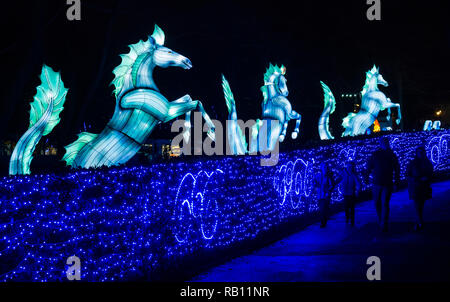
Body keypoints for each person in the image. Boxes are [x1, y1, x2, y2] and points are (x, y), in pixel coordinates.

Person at [367, 137, 400, 232]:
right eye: (383, 142)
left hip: (385, 183)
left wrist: (396, 182)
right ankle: (382, 220)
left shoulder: (391, 154)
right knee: (378, 203)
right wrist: (367, 176)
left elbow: (397, 169)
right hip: (378, 182)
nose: (385, 144)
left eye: (386, 142)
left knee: (384, 203)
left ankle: (383, 222)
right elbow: (369, 166)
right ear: (381, 144)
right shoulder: (377, 154)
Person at [407, 146, 433, 231]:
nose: (421, 154)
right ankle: (419, 221)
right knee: (418, 205)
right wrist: (417, 179)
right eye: (419, 152)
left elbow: (431, 173)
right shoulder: (413, 163)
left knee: (420, 205)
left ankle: (419, 221)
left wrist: (427, 178)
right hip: (416, 187)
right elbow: (408, 174)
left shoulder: (426, 162)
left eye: (422, 152)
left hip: (423, 187)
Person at [338, 161, 361, 226]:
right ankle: (347, 218)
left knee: (352, 207)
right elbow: (338, 179)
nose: (349, 168)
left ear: (352, 167)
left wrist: (357, 191)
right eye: (348, 166)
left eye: (351, 167)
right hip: (345, 193)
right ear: (347, 166)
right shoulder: (343, 173)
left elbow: (358, 183)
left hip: (351, 193)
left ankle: (352, 220)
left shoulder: (353, 175)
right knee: (346, 207)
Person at [314, 162, 336, 228]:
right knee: (322, 209)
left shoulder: (329, 176)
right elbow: (315, 182)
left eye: (326, 167)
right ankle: (324, 220)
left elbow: (332, 185)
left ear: (327, 168)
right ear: (321, 168)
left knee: (323, 209)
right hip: (319, 195)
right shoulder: (318, 175)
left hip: (326, 196)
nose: (325, 168)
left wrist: (328, 191)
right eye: (323, 167)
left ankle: (323, 223)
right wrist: (315, 184)